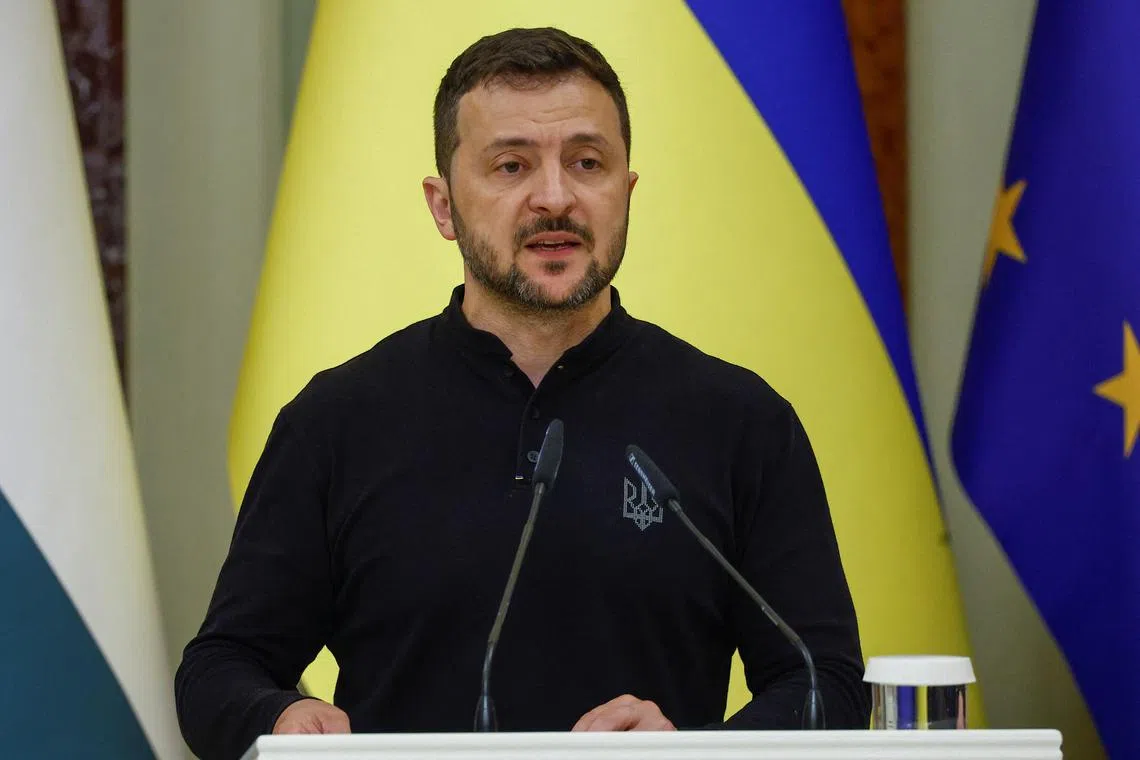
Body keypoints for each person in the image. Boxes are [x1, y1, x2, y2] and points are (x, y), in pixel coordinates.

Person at [175, 26, 869, 760]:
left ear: (626, 192)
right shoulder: (336, 422)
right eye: (511, 166)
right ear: (443, 206)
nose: (555, 197)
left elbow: (827, 684)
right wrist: (279, 714)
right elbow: (220, 669)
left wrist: (693, 752)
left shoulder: (740, 421)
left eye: (587, 163)